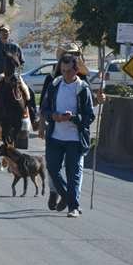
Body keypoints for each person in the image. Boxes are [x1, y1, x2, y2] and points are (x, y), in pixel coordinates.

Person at [41, 52, 97, 217]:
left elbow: (89, 116)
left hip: (75, 138)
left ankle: (73, 207)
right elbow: (44, 108)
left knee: (73, 174)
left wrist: (73, 118)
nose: (66, 74)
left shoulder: (83, 88)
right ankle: (66, 196)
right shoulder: (54, 85)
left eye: (69, 71)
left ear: (76, 70)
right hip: (55, 136)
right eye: (63, 70)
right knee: (52, 169)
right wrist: (53, 116)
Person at [0, 24, 24, 90]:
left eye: (6, 31)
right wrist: (0, 69)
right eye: (2, 31)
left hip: (12, 76)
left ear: (9, 32)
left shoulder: (15, 47)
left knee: (27, 90)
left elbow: (22, 62)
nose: (4, 33)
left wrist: (16, 70)